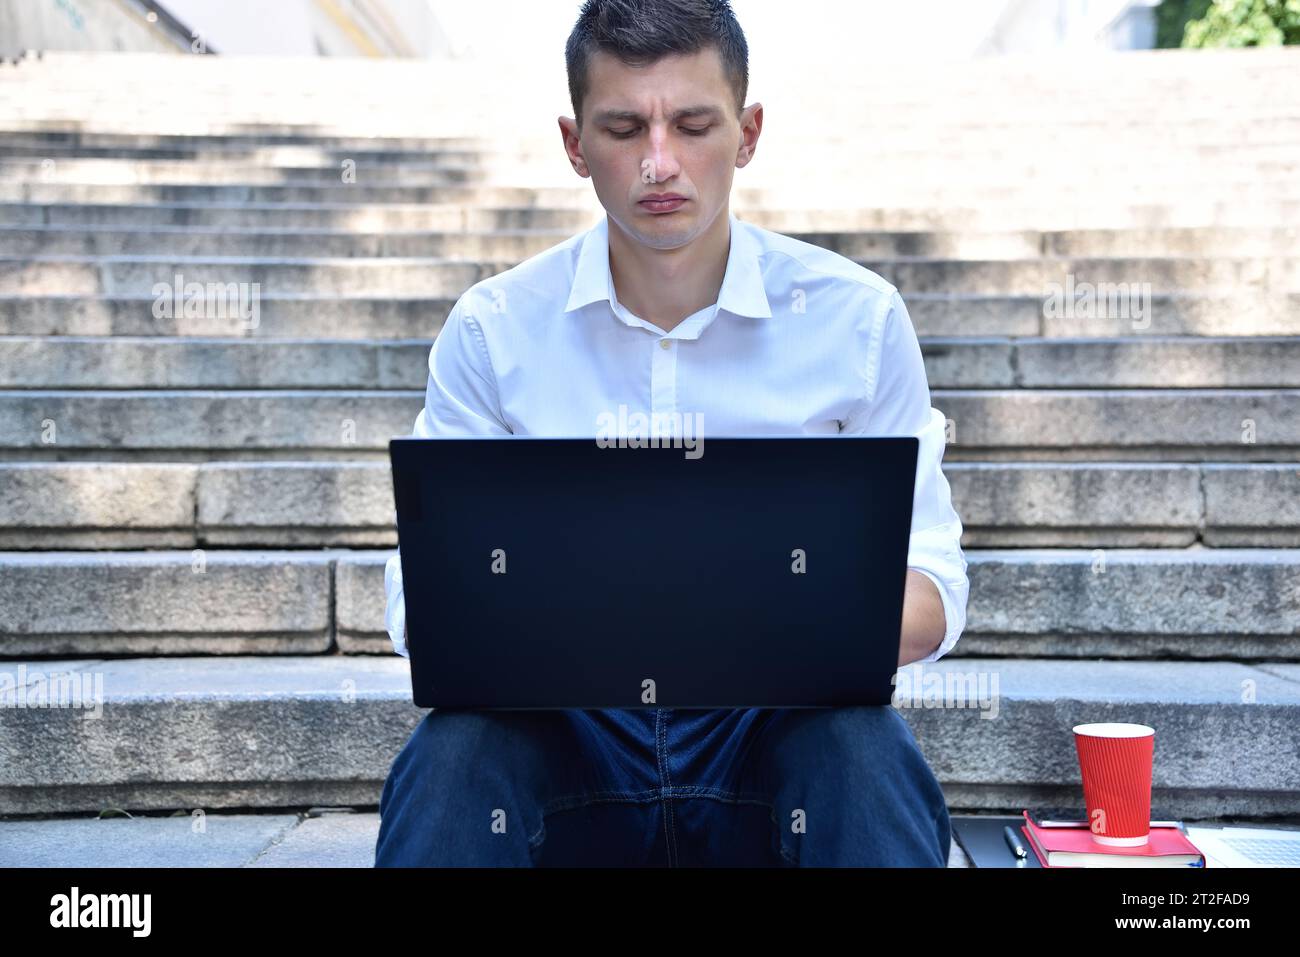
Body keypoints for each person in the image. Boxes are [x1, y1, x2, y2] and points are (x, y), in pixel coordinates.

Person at [374, 0, 969, 867]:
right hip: (568, 743)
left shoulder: (857, 322)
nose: (660, 162)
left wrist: (743, 616)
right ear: (576, 144)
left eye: (693, 124)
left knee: (862, 749)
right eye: (623, 127)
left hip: (772, 741)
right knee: (455, 753)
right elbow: (421, 608)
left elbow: (934, 588)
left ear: (748, 131)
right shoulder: (492, 331)